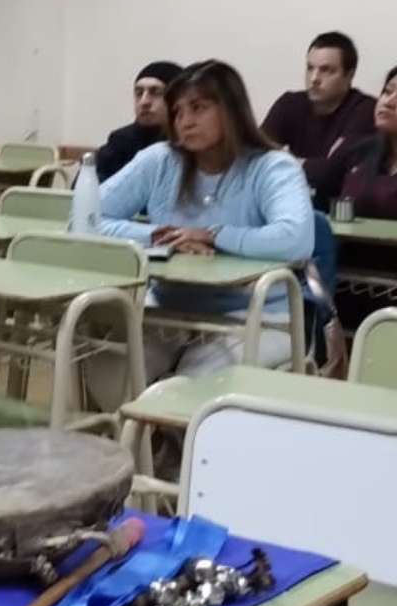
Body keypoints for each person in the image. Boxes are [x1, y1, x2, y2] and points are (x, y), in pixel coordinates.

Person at [96, 59, 314, 390]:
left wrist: (215, 236)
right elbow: (85, 220)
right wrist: (158, 236)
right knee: (112, 370)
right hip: (169, 308)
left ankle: (167, 421)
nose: (185, 121)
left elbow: (295, 239)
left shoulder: (272, 167)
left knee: (195, 387)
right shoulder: (160, 160)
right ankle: (142, 425)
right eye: (178, 111)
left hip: (256, 315)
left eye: (198, 108)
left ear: (231, 110)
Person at [315, 64, 397, 330]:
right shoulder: (359, 152)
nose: (389, 101)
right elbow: (320, 196)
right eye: (387, 91)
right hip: (345, 277)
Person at [261, 31, 376, 189]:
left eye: (326, 70)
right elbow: (254, 157)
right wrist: (312, 165)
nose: (314, 78)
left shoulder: (364, 109)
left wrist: (282, 161)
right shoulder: (290, 103)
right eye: (310, 68)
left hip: (337, 203)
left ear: (349, 75)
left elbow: (333, 173)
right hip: (294, 197)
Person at [93, 61, 183, 182]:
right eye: (139, 93)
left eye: (156, 93)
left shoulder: (189, 141)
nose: (144, 102)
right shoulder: (121, 141)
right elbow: (85, 185)